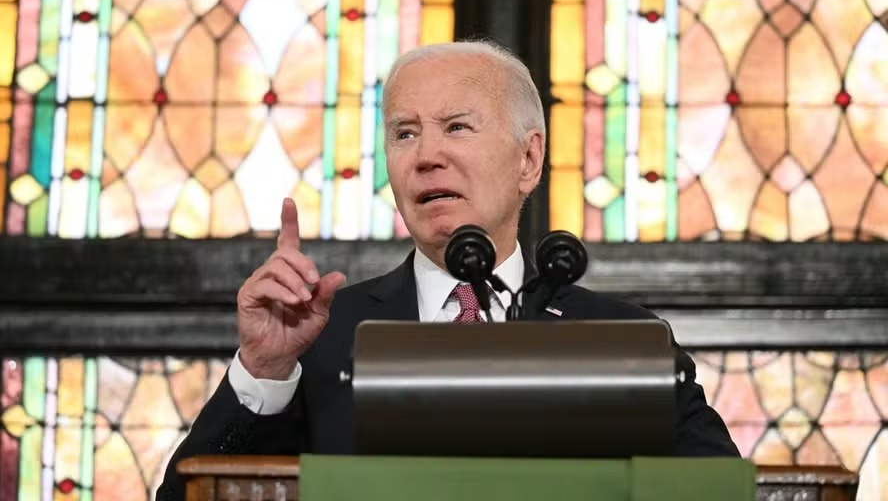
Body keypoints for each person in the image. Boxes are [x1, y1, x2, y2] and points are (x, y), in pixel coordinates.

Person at [157, 40, 738, 499]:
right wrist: (264, 369)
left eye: (456, 126)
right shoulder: (323, 333)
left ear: (529, 159)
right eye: (404, 133)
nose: (426, 154)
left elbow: (723, 493)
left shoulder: (626, 343)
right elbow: (192, 497)